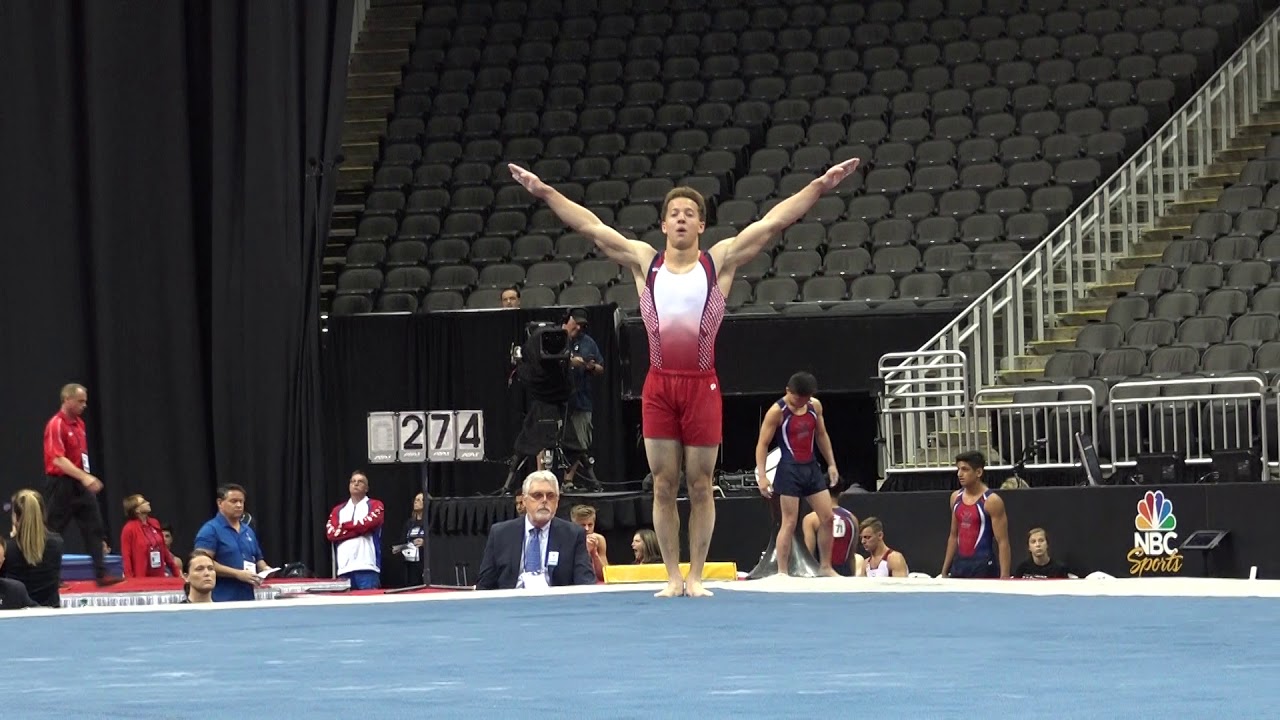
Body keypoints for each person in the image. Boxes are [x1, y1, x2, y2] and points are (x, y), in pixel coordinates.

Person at [510, 155, 861, 597]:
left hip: (701, 384)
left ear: (700, 225)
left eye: (689, 214)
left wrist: (821, 185)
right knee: (663, 482)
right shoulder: (644, 262)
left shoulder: (720, 261)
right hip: (659, 384)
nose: (681, 218)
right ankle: (672, 575)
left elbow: (774, 223)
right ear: (663, 225)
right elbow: (591, 227)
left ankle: (695, 575)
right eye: (674, 213)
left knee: (700, 484)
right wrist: (543, 191)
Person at [755, 372, 841, 577]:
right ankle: (783, 571)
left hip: (811, 467)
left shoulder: (815, 407)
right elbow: (762, 444)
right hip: (789, 470)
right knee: (790, 522)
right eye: (796, 398)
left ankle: (826, 567)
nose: (800, 402)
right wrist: (762, 475)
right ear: (788, 391)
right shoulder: (777, 411)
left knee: (828, 517)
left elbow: (821, 435)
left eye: (805, 398)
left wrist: (831, 464)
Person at [41, 383, 121, 586]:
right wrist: (84, 477)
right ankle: (50, 577)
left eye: (85, 401)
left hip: (79, 483)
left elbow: (80, 456)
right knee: (53, 531)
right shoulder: (56, 425)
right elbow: (58, 459)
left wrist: (85, 477)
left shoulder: (80, 424)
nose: (84, 405)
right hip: (61, 483)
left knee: (94, 527)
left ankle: (101, 573)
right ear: (67, 399)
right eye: (80, 401)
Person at [476, 471, 595, 590]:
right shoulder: (500, 533)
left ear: (557, 502)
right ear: (524, 500)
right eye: (537, 495)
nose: (544, 500)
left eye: (550, 496)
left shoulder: (573, 535)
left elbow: (585, 584)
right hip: (512, 604)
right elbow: (485, 585)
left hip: (555, 604)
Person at [193, 484, 276, 602]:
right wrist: (237, 574)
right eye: (234, 501)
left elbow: (258, 558)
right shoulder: (210, 530)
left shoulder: (248, 530)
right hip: (221, 597)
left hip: (247, 596)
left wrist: (266, 569)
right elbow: (201, 562)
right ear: (220, 503)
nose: (239, 505)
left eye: (241, 502)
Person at [940, 451, 1011, 579]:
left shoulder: (991, 501)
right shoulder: (955, 498)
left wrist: (1004, 576)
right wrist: (944, 570)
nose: (959, 474)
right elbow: (953, 535)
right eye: (958, 469)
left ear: (978, 472)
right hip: (959, 565)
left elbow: (1003, 542)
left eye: (965, 469)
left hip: (983, 566)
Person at [0, 489, 64, 608]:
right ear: (42, 514)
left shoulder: (8, 549)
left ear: (16, 518)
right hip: (51, 614)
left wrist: (11, 537)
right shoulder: (57, 543)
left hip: (17, 614)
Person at [563, 309, 604, 492]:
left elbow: (600, 368)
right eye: (575, 323)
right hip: (558, 400)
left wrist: (590, 366)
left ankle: (568, 480)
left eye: (582, 324)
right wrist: (570, 361)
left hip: (581, 398)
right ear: (568, 320)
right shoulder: (555, 339)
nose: (578, 327)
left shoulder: (588, 342)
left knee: (580, 442)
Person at [325, 471, 385, 590]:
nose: (356, 484)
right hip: (344, 569)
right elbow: (331, 534)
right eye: (353, 481)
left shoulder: (375, 505)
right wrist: (359, 530)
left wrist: (343, 527)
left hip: (367, 566)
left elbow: (369, 524)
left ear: (366, 488)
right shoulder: (338, 510)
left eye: (360, 482)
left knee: (369, 607)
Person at [803, 487, 863, 577]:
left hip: (820, 575)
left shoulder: (812, 518)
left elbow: (809, 556)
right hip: (845, 572)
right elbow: (851, 556)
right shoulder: (852, 518)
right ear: (840, 493)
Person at [119, 494, 182, 578]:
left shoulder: (154, 523)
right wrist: (130, 581)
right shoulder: (129, 529)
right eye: (143, 502)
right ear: (137, 510)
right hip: (141, 576)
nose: (148, 503)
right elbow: (126, 557)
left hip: (159, 573)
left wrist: (176, 573)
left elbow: (164, 550)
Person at [570, 505, 608, 581]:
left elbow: (604, 575)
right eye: (582, 525)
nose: (587, 529)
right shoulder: (567, 539)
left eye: (590, 525)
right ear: (573, 525)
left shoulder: (599, 540)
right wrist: (585, 551)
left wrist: (594, 553)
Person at [401, 492, 426, 586]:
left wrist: (425, 543)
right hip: (410, 564)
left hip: (425, 564)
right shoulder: (409, 523)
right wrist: (408, 545)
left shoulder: (430, 522)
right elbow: (402, 542)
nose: (416, 502)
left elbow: (438, 542)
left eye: (419, 500)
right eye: (415, 500)